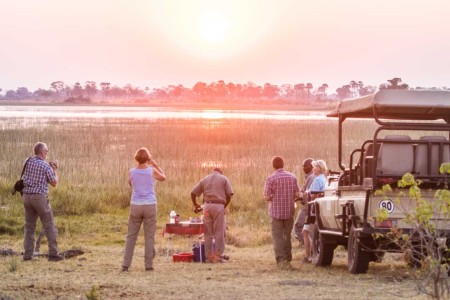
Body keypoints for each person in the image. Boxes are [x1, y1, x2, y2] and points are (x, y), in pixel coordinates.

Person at [122, 147, 166, 272]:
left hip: (135, 205)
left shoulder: (132, 171)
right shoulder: (151, 171)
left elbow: (130, 184)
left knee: (131, 236)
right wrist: (155, 165)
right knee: (149, 237)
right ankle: (148, 265)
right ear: (148, 159)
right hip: (150, 205)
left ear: (136, 159)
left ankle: (126, 264)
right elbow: (163, 177)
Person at [22, 142, 63, 261]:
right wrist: (54, 170)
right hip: (39, 198)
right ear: (41, 152)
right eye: (46, 151)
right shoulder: (45, 166)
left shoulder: (27, 161)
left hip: (26, 197)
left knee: (29, 226)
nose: (47, 153)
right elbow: (54, 183)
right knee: (49, 225)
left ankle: (28, 255)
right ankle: (53, 254)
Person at [264, 156, 300, 270]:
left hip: (276, 212)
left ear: (273, 165)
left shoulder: (271, 178)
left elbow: (266, 197)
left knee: (277, 236)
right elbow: (298, 194)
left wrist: (273, 197)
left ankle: (280, 259)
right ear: (283, 164)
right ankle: (288, 258)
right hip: (289, 211)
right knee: (287, 235)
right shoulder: (292, 177)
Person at [191, 167, 233, 263]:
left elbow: (193, 193)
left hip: (206, 207)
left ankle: (208, 257)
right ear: (221, 172)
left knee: (208, 233)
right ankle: (218, 257)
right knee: (219, 232)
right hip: (219, 206)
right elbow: (229, 196)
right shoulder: (224, 178)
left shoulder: (205, 178)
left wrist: (195, 204)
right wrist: (224, 207)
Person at [302, 159, 328, 263]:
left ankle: (308, 256)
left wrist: (305, 194)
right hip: (320, 208)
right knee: (311, 232)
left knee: (305, 231)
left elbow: (313, 194)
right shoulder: (324, 179)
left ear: (320, 169)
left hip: (313, 209)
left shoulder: (317, 180)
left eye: (315, 167)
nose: (313, 169)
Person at [293, 158, 316, 246]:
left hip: (307, 206)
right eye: (303, 166)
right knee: (309, 228)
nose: (303, 168)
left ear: (311, 166)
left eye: (305, 166)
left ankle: (307, 246)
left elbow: (307, 194)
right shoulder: (311, 176)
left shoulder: (311, 177)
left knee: (298, 226)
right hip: (310, 206)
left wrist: (298, 196)